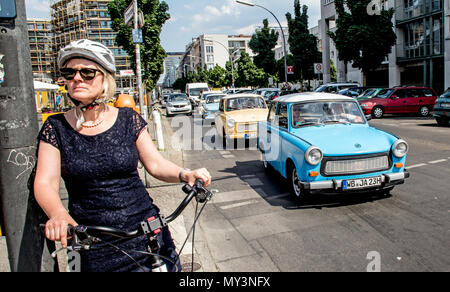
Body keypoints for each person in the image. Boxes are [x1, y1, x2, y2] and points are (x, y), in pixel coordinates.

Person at [33, 39, 211, 272]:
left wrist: (185, 173)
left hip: (146, 234)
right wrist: (57, 214)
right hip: (89, 243)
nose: (76, 78)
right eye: (69, 72)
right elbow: (45, 182)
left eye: (87, 72)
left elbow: (155, 164)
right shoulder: (55, 127)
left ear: (105, 77)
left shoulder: (128, 119)